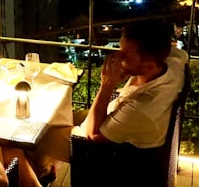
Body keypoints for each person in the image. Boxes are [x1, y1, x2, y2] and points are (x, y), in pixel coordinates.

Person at [75, 19, 188, 148]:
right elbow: (182, 54)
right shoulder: (173, 60)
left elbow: (92, 135)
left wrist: (107, 85)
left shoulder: (142, 109)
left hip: (102, 148)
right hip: (113, 112)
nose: (117, 58)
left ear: (149, 66)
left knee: (50, 131)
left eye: (125, 56)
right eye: (120, 49)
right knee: (66, 114)